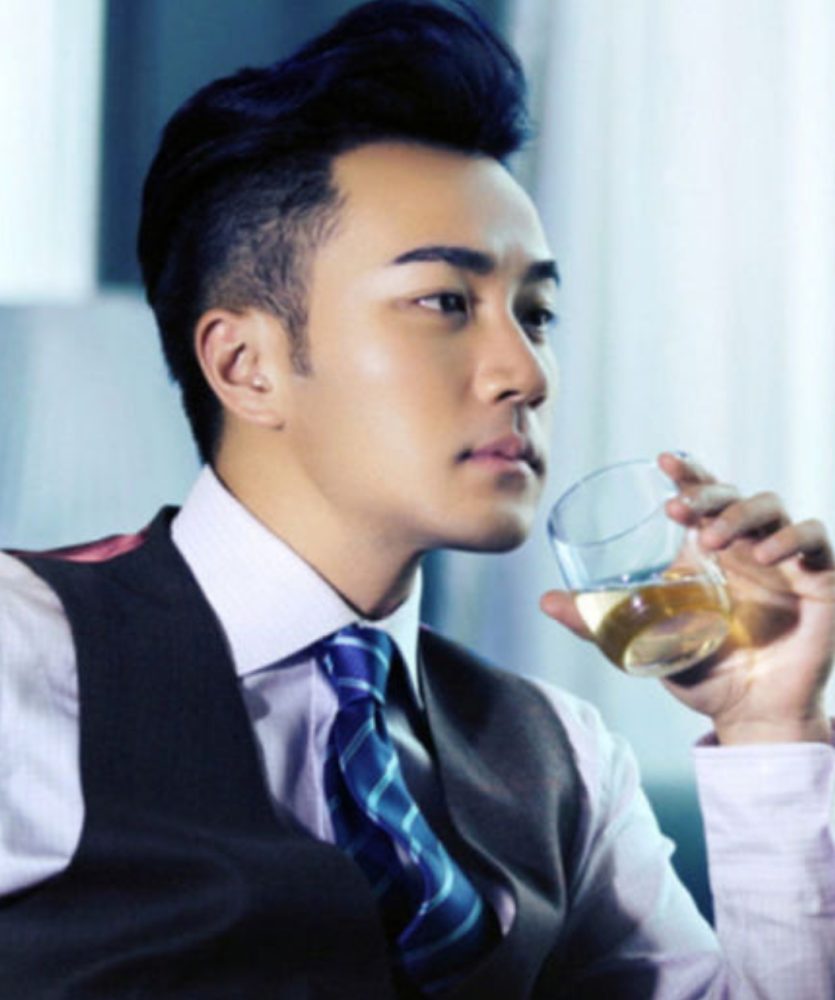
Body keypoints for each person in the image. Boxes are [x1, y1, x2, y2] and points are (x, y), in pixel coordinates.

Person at [1, 1, 833, 996]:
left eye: (537, 313)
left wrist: (769, 723)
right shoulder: (26, 652)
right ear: (245, 364)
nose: (526, 372)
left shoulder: (559, 756)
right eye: (444, 302)